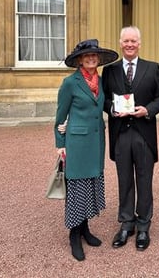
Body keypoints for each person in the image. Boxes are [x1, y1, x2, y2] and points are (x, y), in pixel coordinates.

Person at [101, 26, 159, 251]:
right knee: (125, 179)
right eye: (126, 41)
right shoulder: (110, 71)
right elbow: (104, 99)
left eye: (133, 41)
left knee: (144, 180)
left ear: (140, 43)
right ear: (120, 43)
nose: (130, 45)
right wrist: (112, 110)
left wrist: (147, 110)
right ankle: (126, 224)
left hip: (144, 133)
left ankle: (144, 226)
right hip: (120, 132)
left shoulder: (153, 68)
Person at [53, 39, 119, 261]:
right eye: (87, 56)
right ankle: (74, 234)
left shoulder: (100, 82)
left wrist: (119, 109)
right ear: (80, 60)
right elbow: (60, 116)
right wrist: (60, 144)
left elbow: (104, 105)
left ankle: (85, 229)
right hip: (77, 144)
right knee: (77, 188)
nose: (91, 58)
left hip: (96, 141)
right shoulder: (70, 83)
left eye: (95, 56)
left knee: (90, 185)